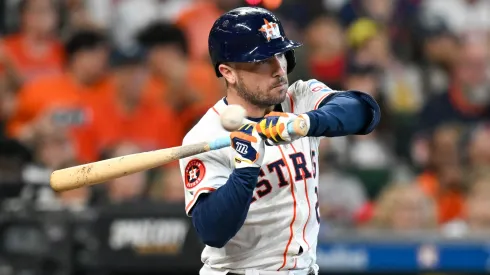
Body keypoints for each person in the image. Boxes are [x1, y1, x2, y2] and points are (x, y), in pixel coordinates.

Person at [179, 7, 380, 275]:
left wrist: (304, 123)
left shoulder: (299, 99)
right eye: (262, 60)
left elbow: (365, 111)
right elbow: (212, 231)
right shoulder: (205, 136)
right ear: (228, 72)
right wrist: (245, 171)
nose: (278, 69)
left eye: (281, 55)